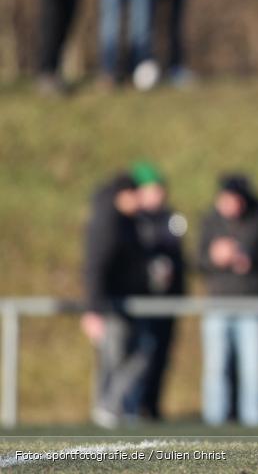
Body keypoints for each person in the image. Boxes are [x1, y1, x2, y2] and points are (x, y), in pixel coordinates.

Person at [198, 175, 258, 426]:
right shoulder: (210, 221)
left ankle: (254, 420)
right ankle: (214, 419)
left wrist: (250, 259)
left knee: (253, 370)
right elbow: (196, 260)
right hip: (218, 304)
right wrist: (214, 258)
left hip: (251, 305)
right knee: (215, 368)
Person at [81, 172, 151, 427]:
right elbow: (94, 267)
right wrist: (93, 310)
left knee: (138, 354)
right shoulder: (107, 222)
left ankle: (116, 406)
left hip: (129, 303)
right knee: (114, 358)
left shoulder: (129, 221)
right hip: (111, 305)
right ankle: (107, 407)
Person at [131, 161, 186, 420]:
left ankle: (151, 407)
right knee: (137, 355)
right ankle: (130, 406)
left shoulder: (171, 219)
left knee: (160, 357)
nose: (158, 194)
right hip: (138, 301)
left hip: (166, 302)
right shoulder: (132, 221)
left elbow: (180, 257)